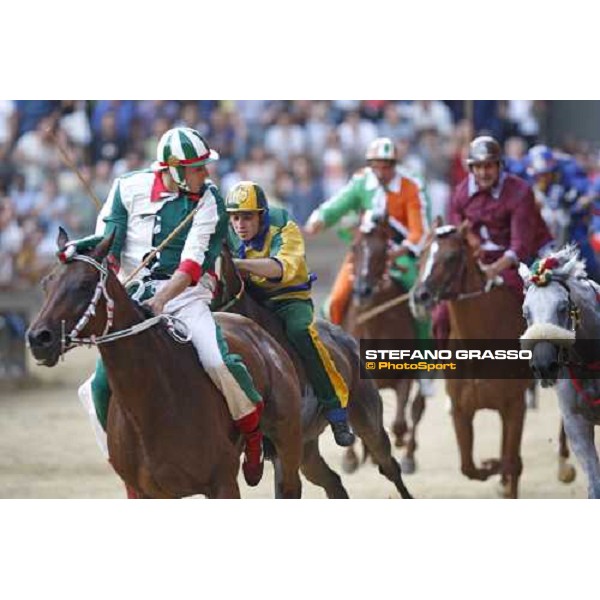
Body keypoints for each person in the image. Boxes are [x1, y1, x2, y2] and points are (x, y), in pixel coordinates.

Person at [83, 127, 266, 486]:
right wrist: (114, 273)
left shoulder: (208, 199)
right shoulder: (126, 188)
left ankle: (254, 437)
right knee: (95, 389)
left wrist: (161, 300)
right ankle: (125, 467)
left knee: (216, 360)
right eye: (198, 168)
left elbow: (192, 265)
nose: (206, 174)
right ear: (174, 168)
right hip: (133, 295)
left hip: (185, 295)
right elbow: (109, 244)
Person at [225, 180, 355, 446]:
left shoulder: (283, 223)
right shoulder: (227, 231)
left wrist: (236, 263)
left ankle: (336, 411)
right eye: (235, 218)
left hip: (289, 298)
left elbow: (280, 268)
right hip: (251, 297)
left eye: (247, 217)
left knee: (300, 331)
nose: (240, 224)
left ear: (261, 215)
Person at [304, 137, 435, 397]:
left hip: (401, 254)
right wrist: (320, 218)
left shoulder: (411, 186)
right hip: (365, 254)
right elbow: (338, 204)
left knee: (421, 303)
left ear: (395, 165)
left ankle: (423, 365)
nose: (382, 171)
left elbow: (419, 230)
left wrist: (400, 250)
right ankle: (335, 360)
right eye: (377, 165)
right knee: (334, 302)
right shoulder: (362, 181)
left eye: (387, 165)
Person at [432, 135, 554, 343]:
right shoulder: (460, 193)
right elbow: (456, 232)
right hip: (478, 262)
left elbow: (520, 246)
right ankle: (443, 367)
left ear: (499, 166)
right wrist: (469, 238)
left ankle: (547, 364)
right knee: (441, 316)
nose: (483, 173)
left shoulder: (520, 192)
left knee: (538, 307)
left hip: (519, 262)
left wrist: (494, 269)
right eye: (477, 167)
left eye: (488, 166)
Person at [525, 144, 599, 282]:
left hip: (571, 233)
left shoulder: (567, 176)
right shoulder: (527, 185)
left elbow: (587, 193)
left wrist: (582, 201)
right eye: (540, 175)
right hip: (542, 240)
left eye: (547, 174)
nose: (544, 178)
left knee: (590, 268)